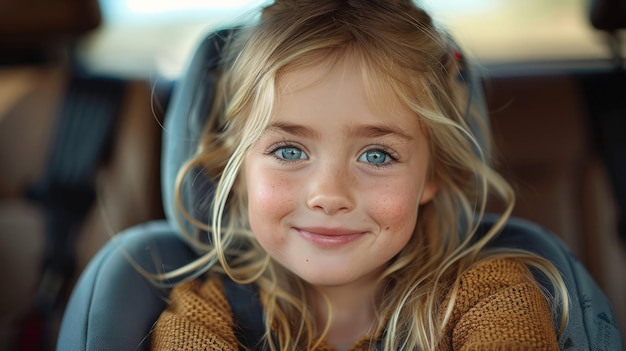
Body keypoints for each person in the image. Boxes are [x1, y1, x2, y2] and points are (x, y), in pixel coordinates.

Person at [150, 0, 569, 350]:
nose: (329, 195)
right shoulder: (202, 318)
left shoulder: (493, 299)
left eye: (377, 155)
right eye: (289, 150)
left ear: (432, 173)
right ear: (236, 170)